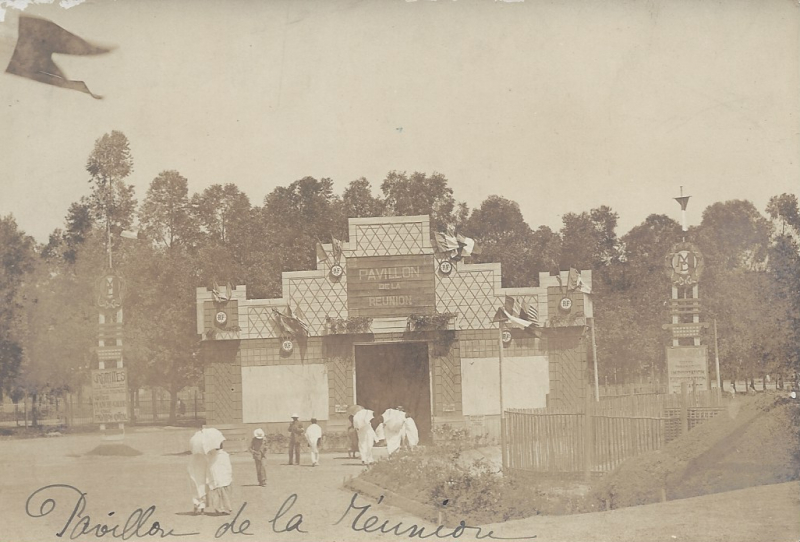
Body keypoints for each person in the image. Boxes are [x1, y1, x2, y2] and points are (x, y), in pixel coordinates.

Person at [206, 442, 233, 515]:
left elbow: (210, 466)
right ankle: (227, 508)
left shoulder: (212, 455)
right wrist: (229, 474)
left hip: (216, 476)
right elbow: (228, 466)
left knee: (217, 493)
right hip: (224, 476)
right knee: (224, 493)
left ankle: (219, 508)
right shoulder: (225, 455)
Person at [187, 449, 208, 515]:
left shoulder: (192, 458)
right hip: (202, 477)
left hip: (194, 477)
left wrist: (190, 476)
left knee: (195, 492)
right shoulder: (205, 458)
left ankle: (196, 504)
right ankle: (202, 509)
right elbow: (207, 467)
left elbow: (189, 468)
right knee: (203, 492)